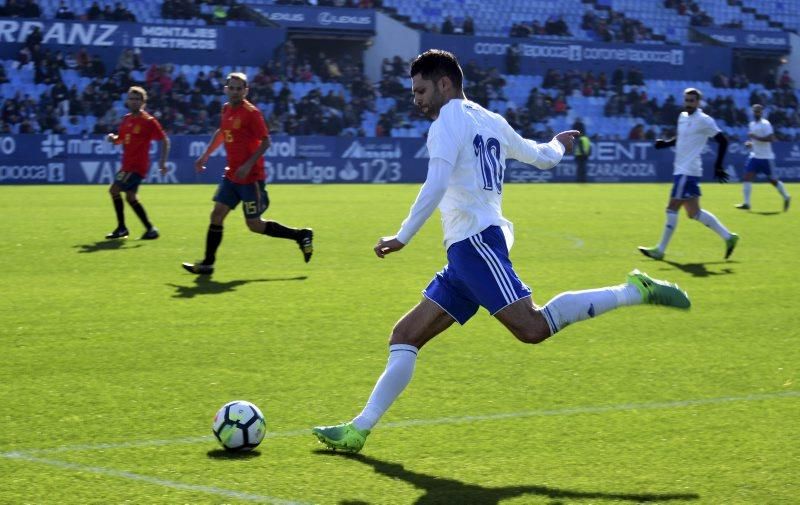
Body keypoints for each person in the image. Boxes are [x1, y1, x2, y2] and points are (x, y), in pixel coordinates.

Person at [311, 50, 690, 454]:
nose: (416, 99)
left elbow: (435, 184)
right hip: (465, 252)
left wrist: (403, 235)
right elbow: (542, 157)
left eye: (421, 90)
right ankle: (358, 430)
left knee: (532, 327)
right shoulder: (491, 120)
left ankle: (634, 290)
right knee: (405, 335)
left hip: (476, 243)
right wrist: (558, 144)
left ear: (444, 84)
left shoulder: (447, 123)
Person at [182, 72, 313, 275]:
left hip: (250, 179)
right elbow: (222, 132)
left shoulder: (251, 113)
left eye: (239, 88)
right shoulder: (226, 109)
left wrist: (248, 165)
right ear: (226, 89)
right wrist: (205, 155)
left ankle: (300, 235)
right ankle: (207, 264)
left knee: (254, 224)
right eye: (231, 88)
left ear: (246, 90)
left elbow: (266, 141)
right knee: (216, 215)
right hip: (231, 175)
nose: (235, 92)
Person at [638, 88, 739, 261]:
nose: (688, 103)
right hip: (681, 169)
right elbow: (681, 138)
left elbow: (723, 140)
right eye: (686, 100)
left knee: (672, 208)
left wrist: (718, 165)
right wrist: (666, 144)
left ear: (698, 102)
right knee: (694, 213)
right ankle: (729, 237)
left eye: (692, 100)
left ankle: (660, 250)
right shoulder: (682, 117)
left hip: (688, 171)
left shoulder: (704, 120)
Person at [105, 86, 170, 240]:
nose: (134, 102)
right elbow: (120, 140)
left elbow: (165, 140)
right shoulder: (126, 119)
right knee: (131, 197)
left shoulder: (148, 121)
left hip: (136, 166)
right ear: (127, 101)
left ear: (143, 102)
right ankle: (150, 229)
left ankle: (122, 228)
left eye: (137, 99)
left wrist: (162, 162)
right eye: (131, 99)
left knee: (114, 190)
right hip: (127, 165)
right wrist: (113, 139)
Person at [735, 104, 791, 212]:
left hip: (766, 157)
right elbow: (755, 141)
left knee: (773, 181)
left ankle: (786, 197)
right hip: (755, 156)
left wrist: (755, 137)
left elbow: (771, 138)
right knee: (747, 177)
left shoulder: (766, 124)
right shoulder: (751, 124)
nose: (757, 113)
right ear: (752, 112)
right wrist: (750, 144)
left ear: (762, 112)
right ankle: (747, 203)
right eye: (755, 111)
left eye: (758, 111)